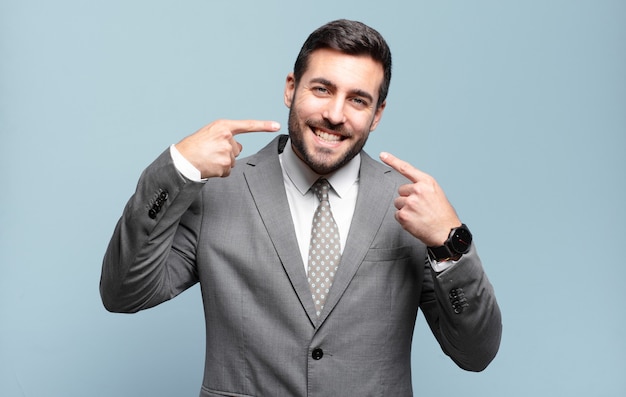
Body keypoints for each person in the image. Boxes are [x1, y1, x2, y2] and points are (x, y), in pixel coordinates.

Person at [101, 19, 501, 396]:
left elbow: (475, 353)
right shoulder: (217, 192)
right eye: (322, 89)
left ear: (377, 115)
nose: (335, 114)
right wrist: (178, 169)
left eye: (358, 100)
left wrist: (451, 245)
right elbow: (124, 292)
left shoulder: (411, 207)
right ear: (291, 88)